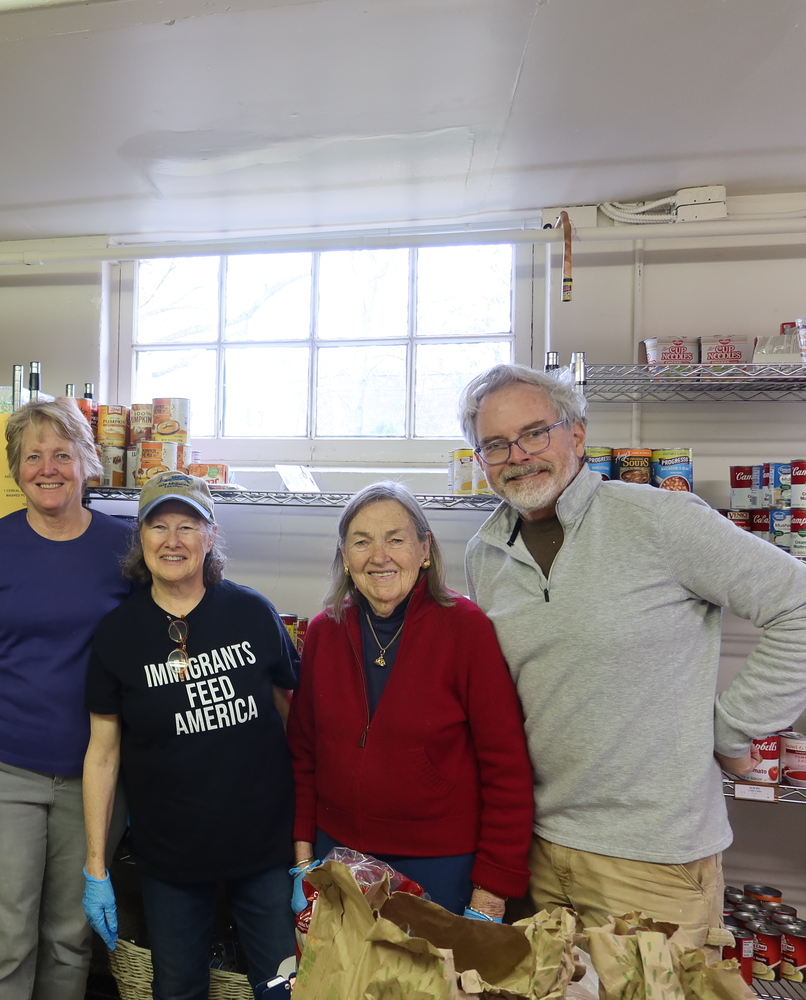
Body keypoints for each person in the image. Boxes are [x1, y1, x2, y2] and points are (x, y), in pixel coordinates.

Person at [460, 363, 806, 945]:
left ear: (577, 434)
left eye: (534, 432)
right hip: (536, 852)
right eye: (495, 444)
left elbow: (798, 605)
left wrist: (730, 730)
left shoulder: (660, 520)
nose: (517, 455)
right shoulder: (485, 553)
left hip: (654, 863)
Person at [0, 400, 131, 1000]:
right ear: (15, 471)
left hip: (95, 778)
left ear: (87, 463)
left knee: (71, 941)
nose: (48, 468)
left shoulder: (125, 550)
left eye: (62, 455)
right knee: (5, 941)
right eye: (32, 456)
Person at [82, 472, 298, 1000]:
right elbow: (103, 755)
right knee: (177, 989)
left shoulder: (252, 613)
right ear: (140, 537)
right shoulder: (118, 634)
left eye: (187, 526)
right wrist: (95, 868)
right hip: (170, 857)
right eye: (158, 526)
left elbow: (293, 723)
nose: (172, 540)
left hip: (263, 851)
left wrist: (303, 847)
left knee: (281, 987)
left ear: (211, 536)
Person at [286, 481, 533, 921]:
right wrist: (303, 861)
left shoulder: (465, 629)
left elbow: (507, 769)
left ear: (424, 549)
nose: (379, 556)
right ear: (345, 556)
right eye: (362, 542)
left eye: (396, 539)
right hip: (338, 859)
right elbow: (303, 755)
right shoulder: (325, 630)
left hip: (440, 866)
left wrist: (492, 891)